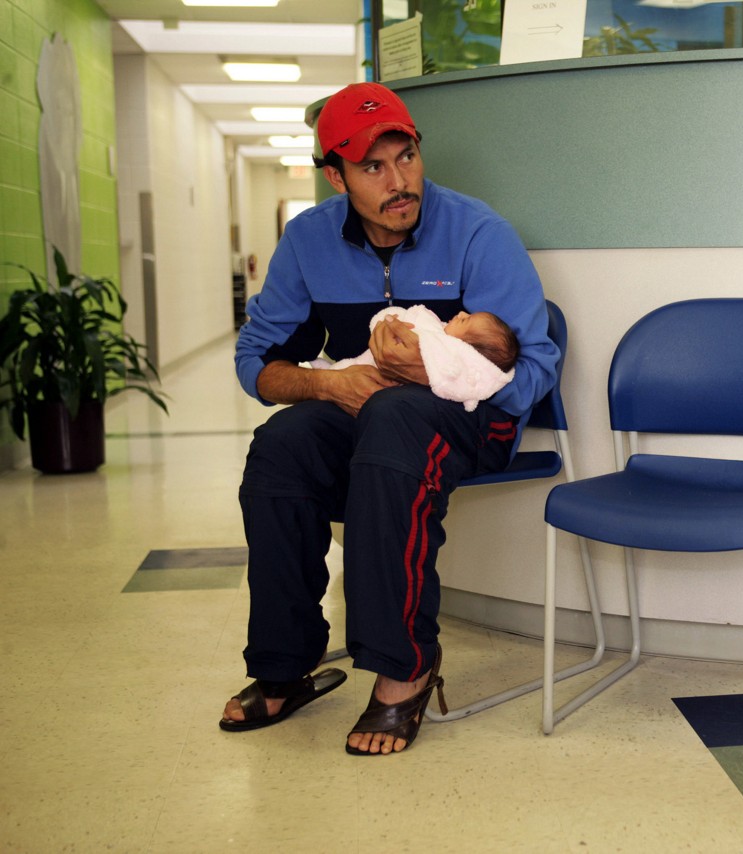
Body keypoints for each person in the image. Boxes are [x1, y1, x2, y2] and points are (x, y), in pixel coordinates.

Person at [220, 81, 559, 756]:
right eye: (373, 167)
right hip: (363, 404)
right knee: (281, 446)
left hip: (469, 419)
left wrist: (440, 371)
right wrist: (328, 384)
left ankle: (404, 666)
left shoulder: (478, 233)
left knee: (396, 427)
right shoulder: (308, 242)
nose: (399, 181)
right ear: (334, 176)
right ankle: (283, 664)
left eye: (406, 157)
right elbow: (256, 364)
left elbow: (538, 369)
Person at [313, 306, 519, 412]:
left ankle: (328, 371)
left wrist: (394, 320)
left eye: (465, 320)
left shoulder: (441, 349)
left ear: (464, 347)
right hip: (375, 384)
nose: (461, 312)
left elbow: (416, 324)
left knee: (356, 368)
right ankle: (328, 373)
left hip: (385, 393)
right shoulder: (442, 333)